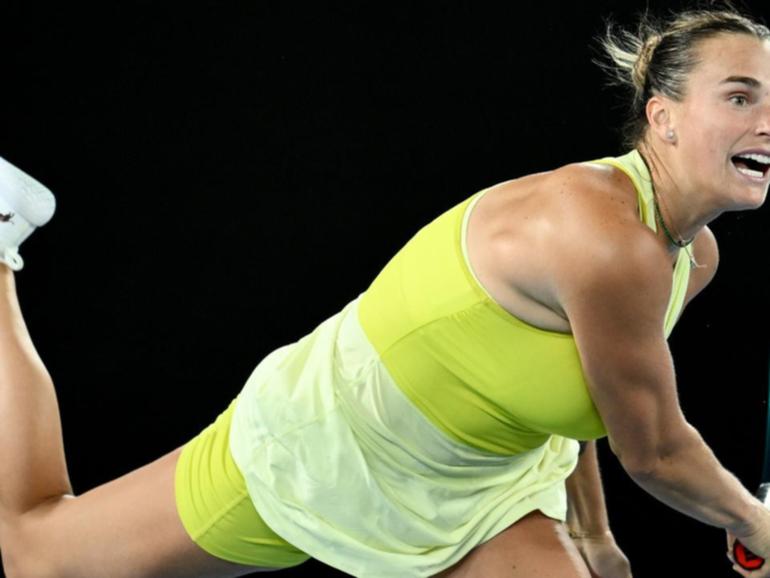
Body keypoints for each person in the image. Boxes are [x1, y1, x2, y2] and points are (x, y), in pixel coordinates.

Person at [0, 4, 769, 578]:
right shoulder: (608, 240)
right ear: (662, 118)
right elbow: (658, 452)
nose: (768, 118)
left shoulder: (691, 256)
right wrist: (753, 521)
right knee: (34, 551)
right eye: (740, 97)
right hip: (337, 442)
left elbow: (592, 396)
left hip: (479, 481)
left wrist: (596, 538)